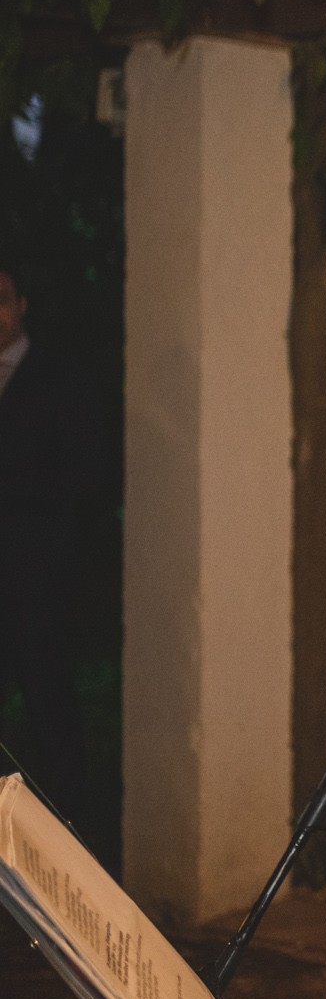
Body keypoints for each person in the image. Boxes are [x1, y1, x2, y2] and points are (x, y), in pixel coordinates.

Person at [0, 256, 109, 822]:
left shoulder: (59, 379)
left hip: (38, 581)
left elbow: (87, 475)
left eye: (2, 300)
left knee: (51, 713)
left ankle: (71, 832)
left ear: (21, 306)